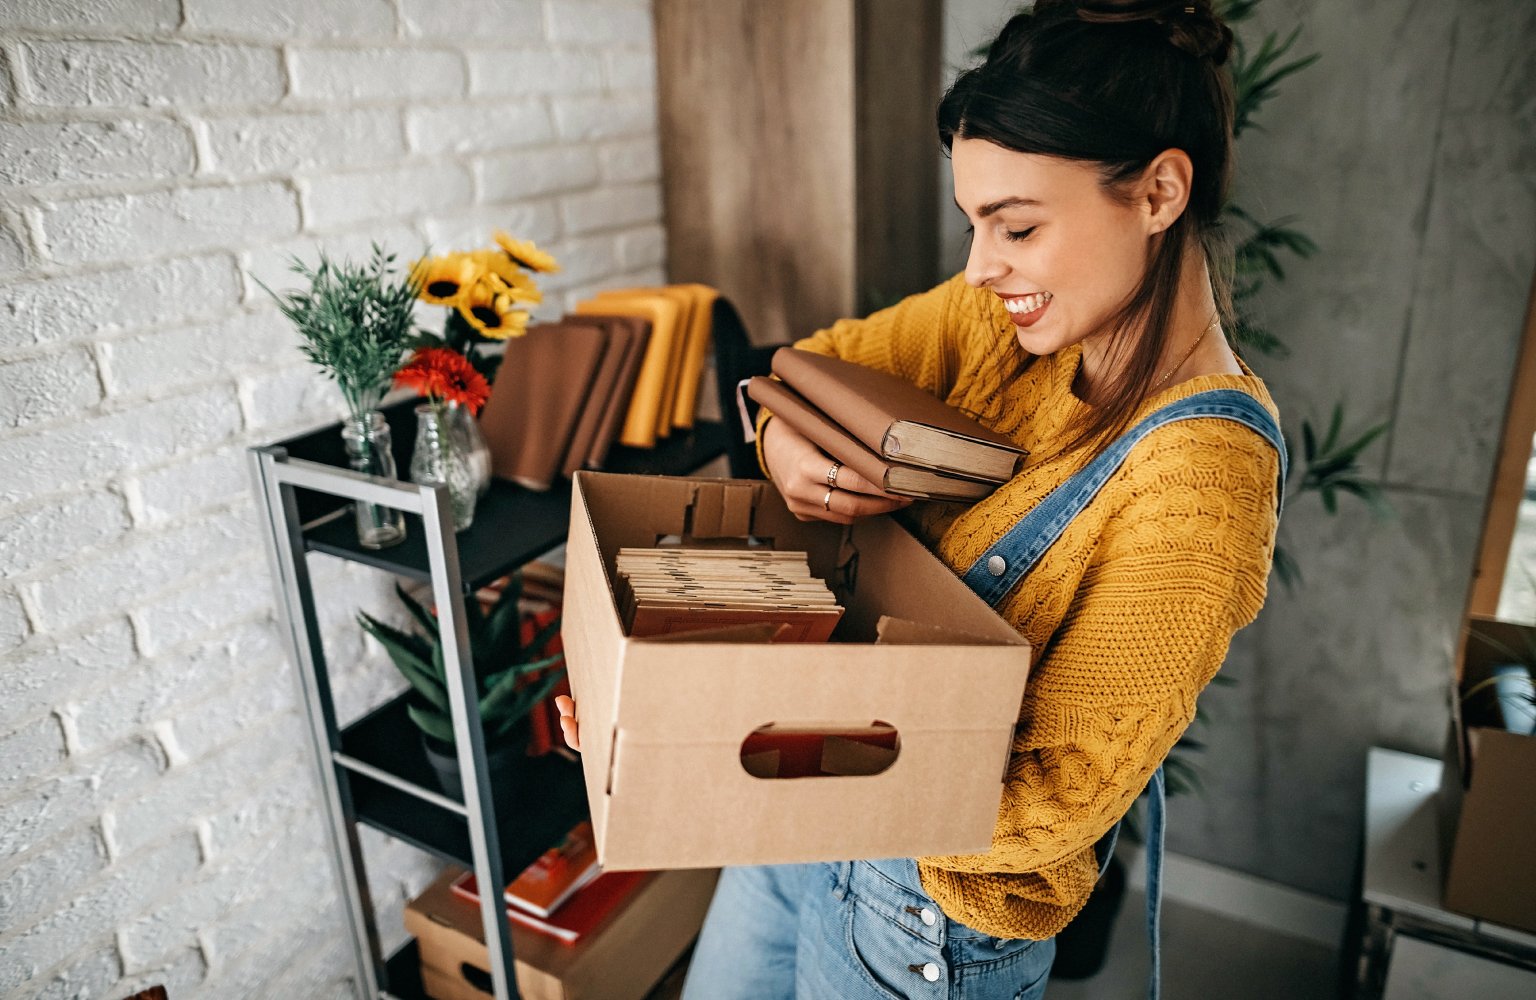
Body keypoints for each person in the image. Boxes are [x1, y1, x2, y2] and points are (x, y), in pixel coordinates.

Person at [555, 2, 1287, 997]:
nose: (984, 268)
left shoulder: (1201, 479)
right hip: (796, 821)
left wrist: (708, 745)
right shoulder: (1007, 326)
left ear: (1159, 191)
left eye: (1018, 226)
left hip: (927, 920)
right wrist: (784, 444)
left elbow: (1050, 800)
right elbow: (822, 364)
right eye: (976, 224)